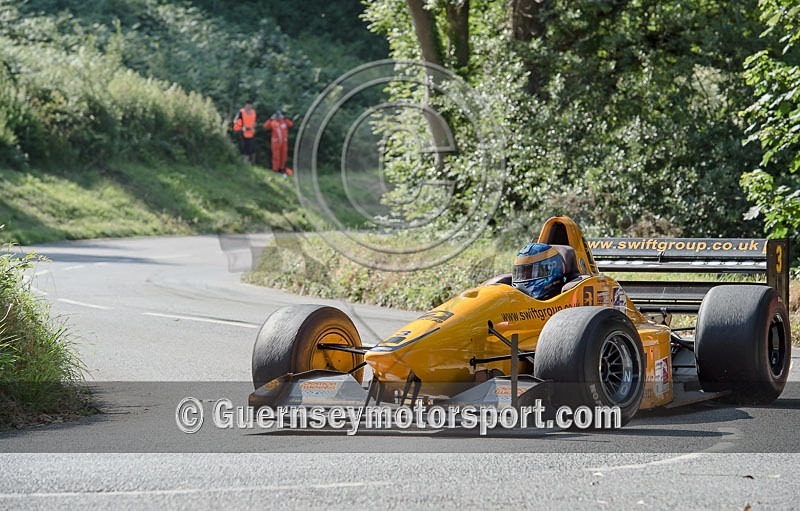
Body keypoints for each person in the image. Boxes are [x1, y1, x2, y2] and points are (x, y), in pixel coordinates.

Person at [263, 110, 293, 174]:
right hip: (276, 142)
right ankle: (275, 169)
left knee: (283, 155)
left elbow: (291, 124)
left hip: (284, 142)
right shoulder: (273, 122)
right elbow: (265, 126)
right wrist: (270, 119)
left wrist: (285, 118)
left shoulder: (284, 121)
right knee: (276, 156)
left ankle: (282, 168)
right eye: (277, 115)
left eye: (279, 115)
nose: (278, 117)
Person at [233, 98, 257, 164]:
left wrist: (254, 125)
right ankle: (245, 164)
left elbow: (254, 121)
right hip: (243, 133)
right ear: (245, 105)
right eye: (248, 105)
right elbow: (235, 121)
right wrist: (241, 127)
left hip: (252, 133)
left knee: (253, 150)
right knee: (245, 150)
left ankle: (252, 164)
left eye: (250, 105)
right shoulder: (241, 112)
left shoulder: (253, 112)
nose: (249, 106)